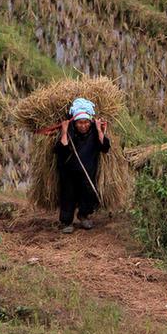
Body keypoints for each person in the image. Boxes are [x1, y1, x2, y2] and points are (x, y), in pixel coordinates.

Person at [53, 98, 110, 234]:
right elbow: (61, 149)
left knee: (88, 193)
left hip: (88, 172)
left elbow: (105, 147)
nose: (83, 126)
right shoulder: (70, 133)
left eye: (86, 122)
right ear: (75, 123)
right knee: (68, 195)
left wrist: (99, 129)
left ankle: (83, 215)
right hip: (69, 173)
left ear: (90, 122)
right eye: (80, 123)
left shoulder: (94, 133)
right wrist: (65, 130)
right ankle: (66, 222)